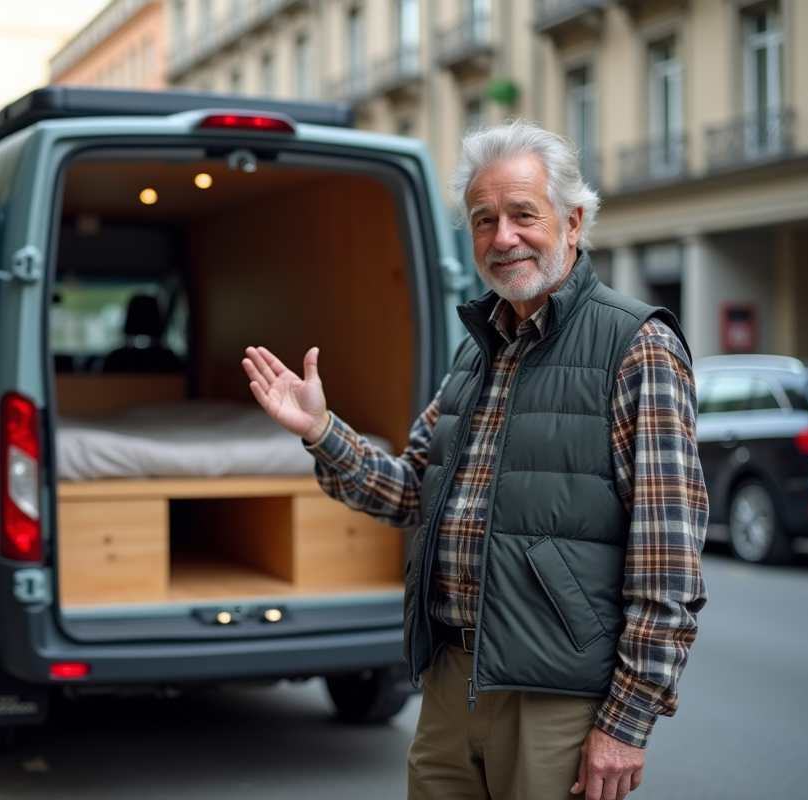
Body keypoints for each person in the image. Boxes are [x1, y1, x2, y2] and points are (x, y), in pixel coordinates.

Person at [241, 120, 707, 800]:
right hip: (452, 678)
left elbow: (668, 564)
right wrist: (320, 429)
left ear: (573, 223)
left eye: (524, 214)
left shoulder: (637, 345)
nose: (502, 237)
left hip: (556, 696)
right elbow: (410, 493)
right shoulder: (477, 350)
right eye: (483, 219)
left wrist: (627, 723)